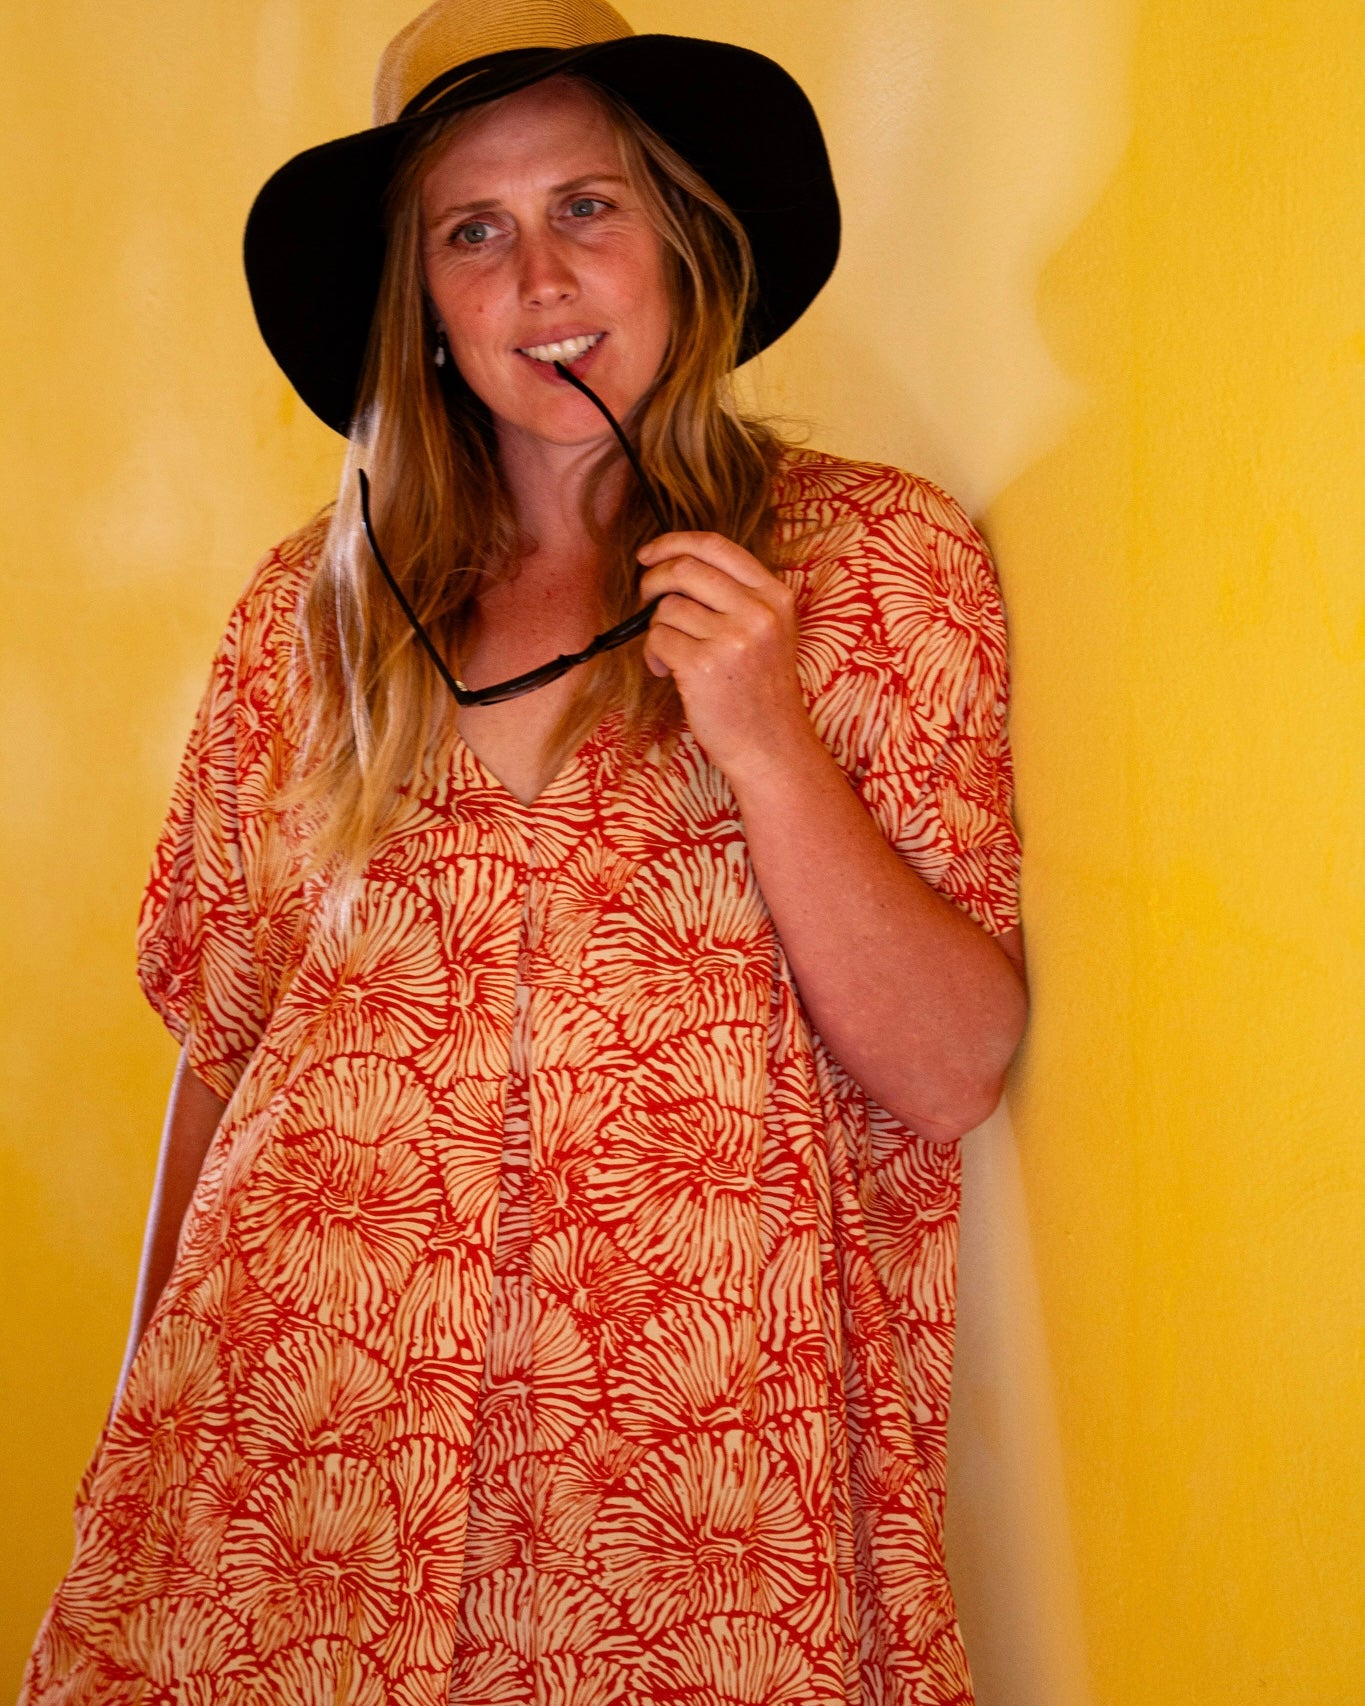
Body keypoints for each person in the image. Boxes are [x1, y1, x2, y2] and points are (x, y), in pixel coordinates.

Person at [21, 1, 1028, 1701]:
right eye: (471, 233)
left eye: (586, 206)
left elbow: (950, 1067)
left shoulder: (871, 564)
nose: (541, 281)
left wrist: (766, 736)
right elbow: (227, 1051)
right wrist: (136, 1446)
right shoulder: (308, 616)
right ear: (419, 299)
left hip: (686, 1506)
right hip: (288, 1479)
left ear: (680, 237)